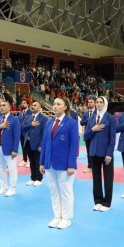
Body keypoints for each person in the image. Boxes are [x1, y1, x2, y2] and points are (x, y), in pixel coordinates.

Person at [40, 97, 79, 229]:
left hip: (64, 163)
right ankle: (58, 216)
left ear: (65, 107)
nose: (55, 106)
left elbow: (74, 145)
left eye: (58, 104)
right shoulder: (49, 122)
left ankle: (67, 218)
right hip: (50, 162)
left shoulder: (71, 123)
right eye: (54, 103)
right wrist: (42, 162)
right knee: (54, 191)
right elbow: (45, 143)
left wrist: (71, 164)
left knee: (65, 191)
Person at [84, 96, 116, 212]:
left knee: (108, 179)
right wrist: (94, 129)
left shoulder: (110, 118)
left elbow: (112, 139)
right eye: (97, 102)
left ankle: (107, 203)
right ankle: (97, 200)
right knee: (96, 178)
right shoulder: (91, 119)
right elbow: (85, 136)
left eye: (100, 102)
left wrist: (109, 154)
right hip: (93, 152)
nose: (98, 104)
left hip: (106, 153)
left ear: (105, 104)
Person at [0, 101, 20, 197]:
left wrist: (15, 149)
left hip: (9, 149)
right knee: (1, 168)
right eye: (1, 106)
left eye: (4, 105)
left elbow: (17, 135)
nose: (1, 107)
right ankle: (3, 187)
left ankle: (12, 188)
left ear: (9, 108)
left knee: (12, 169)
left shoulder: (14, 120)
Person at [22, 101, 47, 187]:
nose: (33, 106)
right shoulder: (28, 117)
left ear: (40, 108)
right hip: (28, 142)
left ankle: (39, 178)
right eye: (32, 105)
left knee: (38, 162)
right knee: (31, 161)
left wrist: (41, 145)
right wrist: (30, 124)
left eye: (35, 105)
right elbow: (22, 128)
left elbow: (44, 133)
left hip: (37, 144)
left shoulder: (43, 119)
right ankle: (32, 178)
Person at [80, 98, 96, 173]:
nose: (89, 103)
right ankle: (90, 166)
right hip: (88, 135)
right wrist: (89, 119)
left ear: (94, 103)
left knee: (96, 151)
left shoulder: (97, 112)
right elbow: (81, 123)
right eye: (88, 102)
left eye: (91, 102)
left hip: (96, 135)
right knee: (89, 151)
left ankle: (96, 167)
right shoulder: (85, 114)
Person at [17, 100, 32, 168]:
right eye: (22, 103)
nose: (23, 104)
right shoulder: (20, 113)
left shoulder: (31, 112)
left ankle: (30, 160)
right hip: (21, 133)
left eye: (24, 103)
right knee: (23, 147)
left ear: (28, 105)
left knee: (29, 147)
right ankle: (24, 160)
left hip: (28, 132)